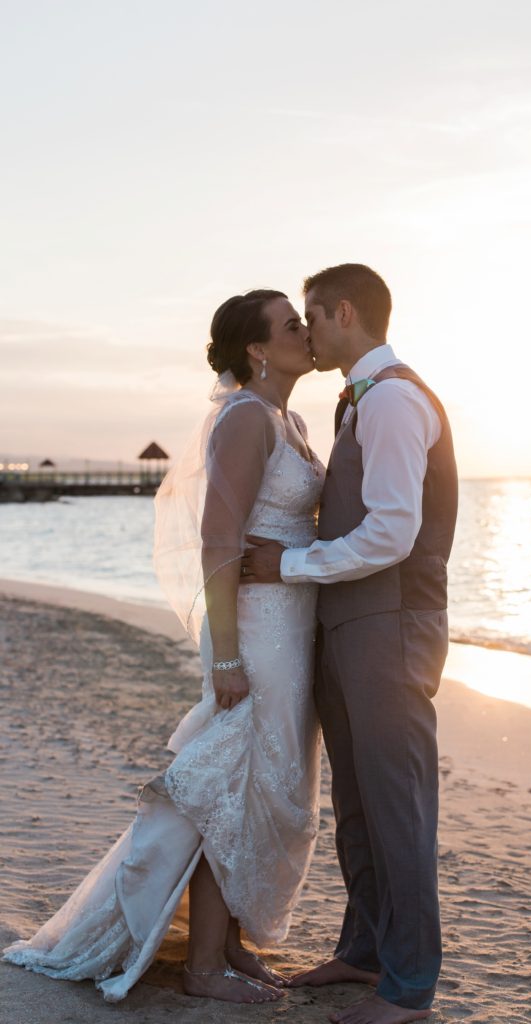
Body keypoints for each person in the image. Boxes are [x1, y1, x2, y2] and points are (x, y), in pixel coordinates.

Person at [3, 290, 324, 1005]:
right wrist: (228, 659)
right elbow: (218, 539)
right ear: (255, 349)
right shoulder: (244, 418)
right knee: (230, 790)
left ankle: (229, 944)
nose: (306, 333)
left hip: (293, 628)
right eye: (291, 325)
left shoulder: (290, 419)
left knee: (267, 791)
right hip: (257, 631)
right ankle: (204, 964)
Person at [242, 264, 458, 1024]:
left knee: (397, 808)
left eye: (312, 317)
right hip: (348, 628)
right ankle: (365, 953)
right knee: (359, 805)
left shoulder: (395, 398)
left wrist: (289, 565)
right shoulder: (358, 401)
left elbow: (393, 532)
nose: (307, 331)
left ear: (342, 312)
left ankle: (409, 988)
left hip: (391, 630)